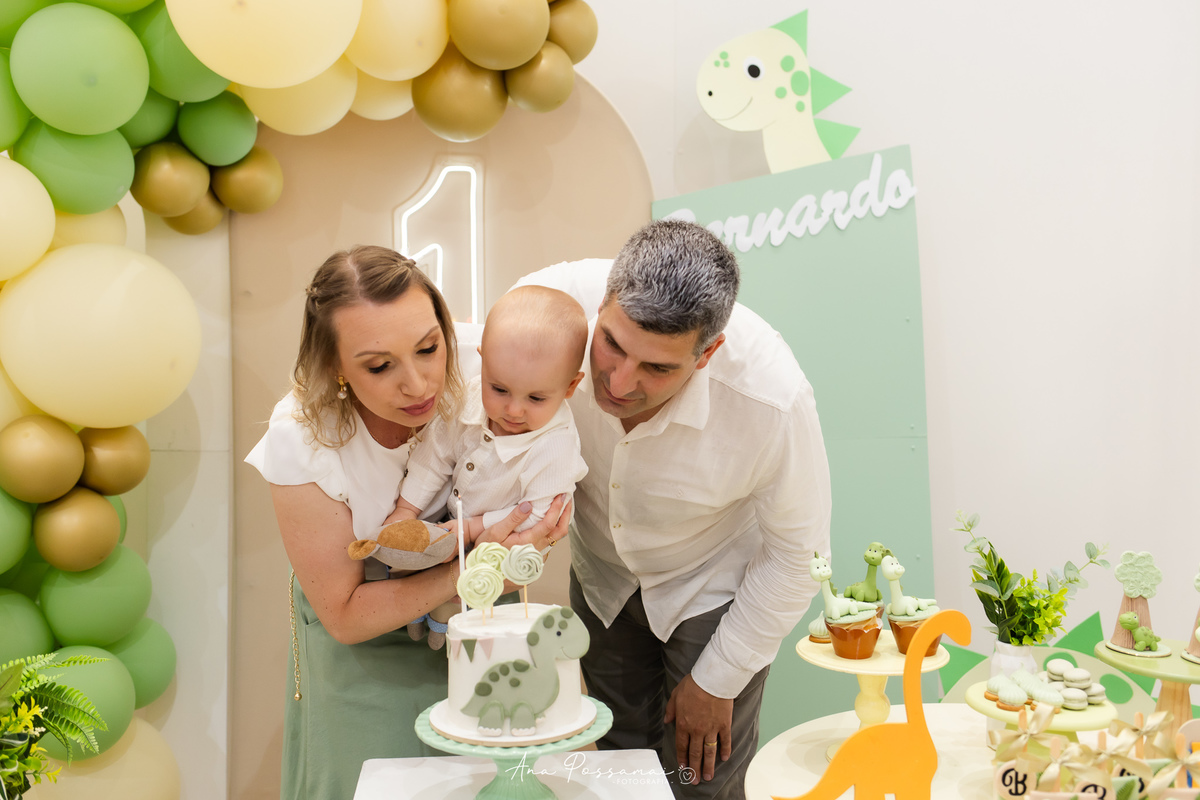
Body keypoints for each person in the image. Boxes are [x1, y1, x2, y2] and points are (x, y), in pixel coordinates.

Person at [515, 219, 832, 799]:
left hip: (711, 588)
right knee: (616, 768)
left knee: (697, 784)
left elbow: (798, 555)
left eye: (658, 368)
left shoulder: (772, 399)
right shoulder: (547, 308)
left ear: (708, 353)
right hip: (604, 577)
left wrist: (718, 680)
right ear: (605, 299)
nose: (617, 380)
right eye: (611, 343)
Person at [244, 245, 570, 800]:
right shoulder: (301, 438)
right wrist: (474, 569)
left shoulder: (487, 364)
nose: (419, 385)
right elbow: (345, 617)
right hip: (366, 636)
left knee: (494, 782)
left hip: (479, 617)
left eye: (428, 347)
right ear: (335, 368)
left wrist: (528, 533)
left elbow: (554, 437)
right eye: (379, 366)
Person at [385, 285, 590, 541]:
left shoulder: (556, 447)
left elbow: (539, 513)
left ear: (570, 386)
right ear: (483, 363)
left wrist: (473, 528)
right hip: (446, 525)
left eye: (536, 398)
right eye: (499, 389)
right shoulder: (471, 395)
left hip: (502, 544)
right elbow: (436, 451)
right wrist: (407, 508)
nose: (513, 410)